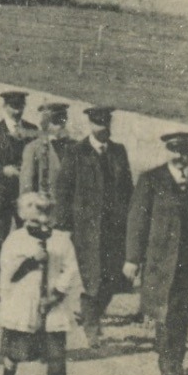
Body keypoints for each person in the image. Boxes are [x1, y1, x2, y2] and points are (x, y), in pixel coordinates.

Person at [125, 131, 188, 375]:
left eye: (185, 151)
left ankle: (177, 360)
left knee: (185, 310)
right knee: (164, 311)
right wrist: (132, 258)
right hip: (161, 259)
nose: (180, 156)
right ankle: (167, 363)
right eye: (174, 151)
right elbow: (138, 221)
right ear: (167, 152)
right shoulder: (151, 179)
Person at [0, 191, 82, 375]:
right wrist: (30, 261)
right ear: (25, 217)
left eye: (46, 218)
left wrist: (57, 294)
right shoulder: (15, 240)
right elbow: (6, 273)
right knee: (15, 350)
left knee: (56, 356)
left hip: (52, 305)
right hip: (24, 305)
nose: (41, 224)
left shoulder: (61, 240)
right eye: (35, 220)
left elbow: (71, 269)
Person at [52, 106, 133, 348]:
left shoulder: (118, 152)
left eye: (106, 123)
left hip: (114, 228)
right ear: (90, 125)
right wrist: (64, 224)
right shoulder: (77, 152)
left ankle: (92, 315)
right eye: (98, 124)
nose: (103, 128)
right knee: (93, 278)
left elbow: (128, 188)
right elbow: (64, 189)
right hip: (86, 229)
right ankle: (92, 326)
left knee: (111, 278)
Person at [0, 90, 38, 278]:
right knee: (0, 240)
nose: (17, 111)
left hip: (24, 195)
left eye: (20, 107)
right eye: (13, 107)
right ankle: (2, 278)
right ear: (5, 107)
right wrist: (2, 170)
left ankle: (24, 277)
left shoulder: (31, 131)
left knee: (28, 237)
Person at [22, 102, 74, 195]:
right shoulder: (33, 148)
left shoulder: (74, 146)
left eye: (63, 120)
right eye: (55, 121)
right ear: (45, 123)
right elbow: (27, 184)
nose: (60, 125)